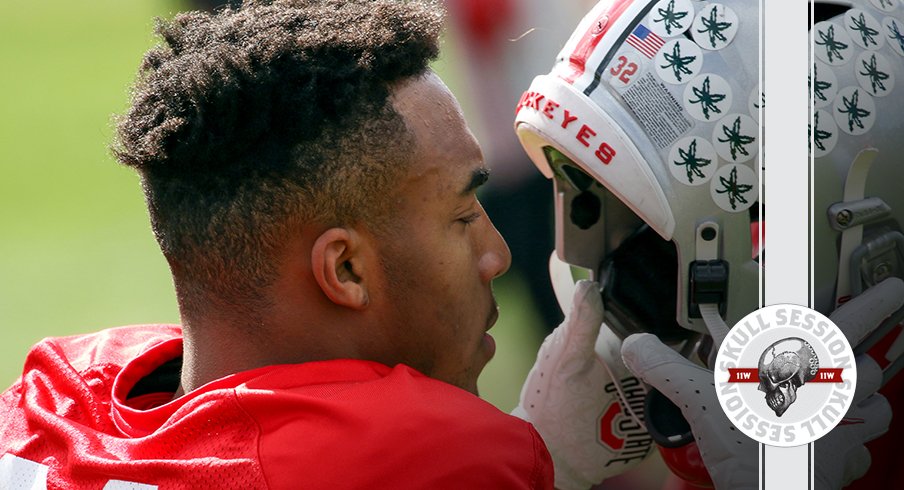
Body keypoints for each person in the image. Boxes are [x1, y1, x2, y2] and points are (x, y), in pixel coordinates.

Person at [0, 1, 556, 488]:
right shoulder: (432, 455)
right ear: (345, 270)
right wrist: (555, 457)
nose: (497, 256)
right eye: (462, 216)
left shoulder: (42, 399)